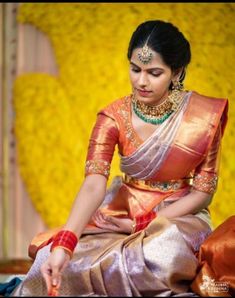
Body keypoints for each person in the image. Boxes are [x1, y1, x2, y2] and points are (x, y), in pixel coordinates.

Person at [12, 20, 231, 297]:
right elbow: (93, 185)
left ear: (177, 73)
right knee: (50, 260)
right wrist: (64, 244)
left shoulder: (203, 117)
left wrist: (144, 224)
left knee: (162, 257)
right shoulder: (112, 117)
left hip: (179, 215)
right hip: (120, 210)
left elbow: (203, 194)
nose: (141, 81)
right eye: (135, 69)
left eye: (154, 73)